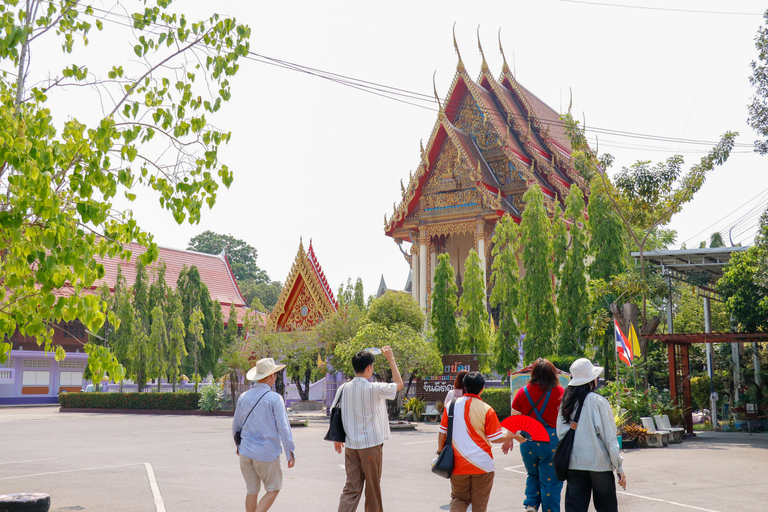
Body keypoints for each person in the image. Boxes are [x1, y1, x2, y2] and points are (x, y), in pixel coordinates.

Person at [438, 371, 527, 512]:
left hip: (457, 465)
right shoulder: (487, 409)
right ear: (482, 388)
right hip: (482, 466)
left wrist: (439, 451)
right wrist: (513, 436)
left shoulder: (451, 406)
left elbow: (442, 432)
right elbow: (495, 438)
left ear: (465, 387)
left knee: (458, 499)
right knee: (479, 504)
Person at [332, 345, 403, 512]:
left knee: (351, 488)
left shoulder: (343, 388)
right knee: (372, 488)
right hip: (370, 445)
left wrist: (336, 439)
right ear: (369, 367)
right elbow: (399, 384)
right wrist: (391, 359)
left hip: (351, 445)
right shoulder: (375, 388)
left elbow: (335, 412)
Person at [556, 359, 626, 512]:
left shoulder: (565, 403)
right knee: (606, 508)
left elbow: (561, 434)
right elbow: (609, 438)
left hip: (574, 463)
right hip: (599, 464)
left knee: (575, 508)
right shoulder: (598, 402)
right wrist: (619, 467)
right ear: (590, 380)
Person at [232, 358, 296, 512]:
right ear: (271, 376)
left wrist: (238, 446)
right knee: (273, 489)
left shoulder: (244, 397)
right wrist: (289, 452)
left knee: (252, 491)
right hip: (267, 453)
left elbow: (236, 426)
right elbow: (283, 428)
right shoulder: (274, 398)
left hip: (246, 452)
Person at [506, 358, 564, 512]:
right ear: (553, 373)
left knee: (532, 474)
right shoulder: (560, 392)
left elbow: (513, 420)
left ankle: (531, 504)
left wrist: (509, 439)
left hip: (527, 440)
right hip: (550, 442)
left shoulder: (522, 392)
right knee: (550, 481)